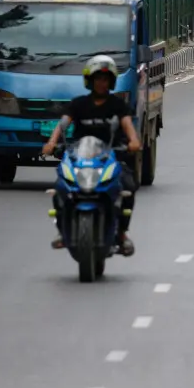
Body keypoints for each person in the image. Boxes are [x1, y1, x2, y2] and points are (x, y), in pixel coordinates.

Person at [41, 56, 142, 256]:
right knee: (60, 187)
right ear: (90, 80)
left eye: (105, 79)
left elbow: (128, 127)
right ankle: (63, 231)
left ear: (111, 81)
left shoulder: (118, 105)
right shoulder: (78, 104)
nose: (101, 83)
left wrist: (133, 141)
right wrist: (52, 142)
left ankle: (121, 234)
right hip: (81, 158)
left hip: (110, 157)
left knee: (127, 186)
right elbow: (62, 124)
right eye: (97, 79)